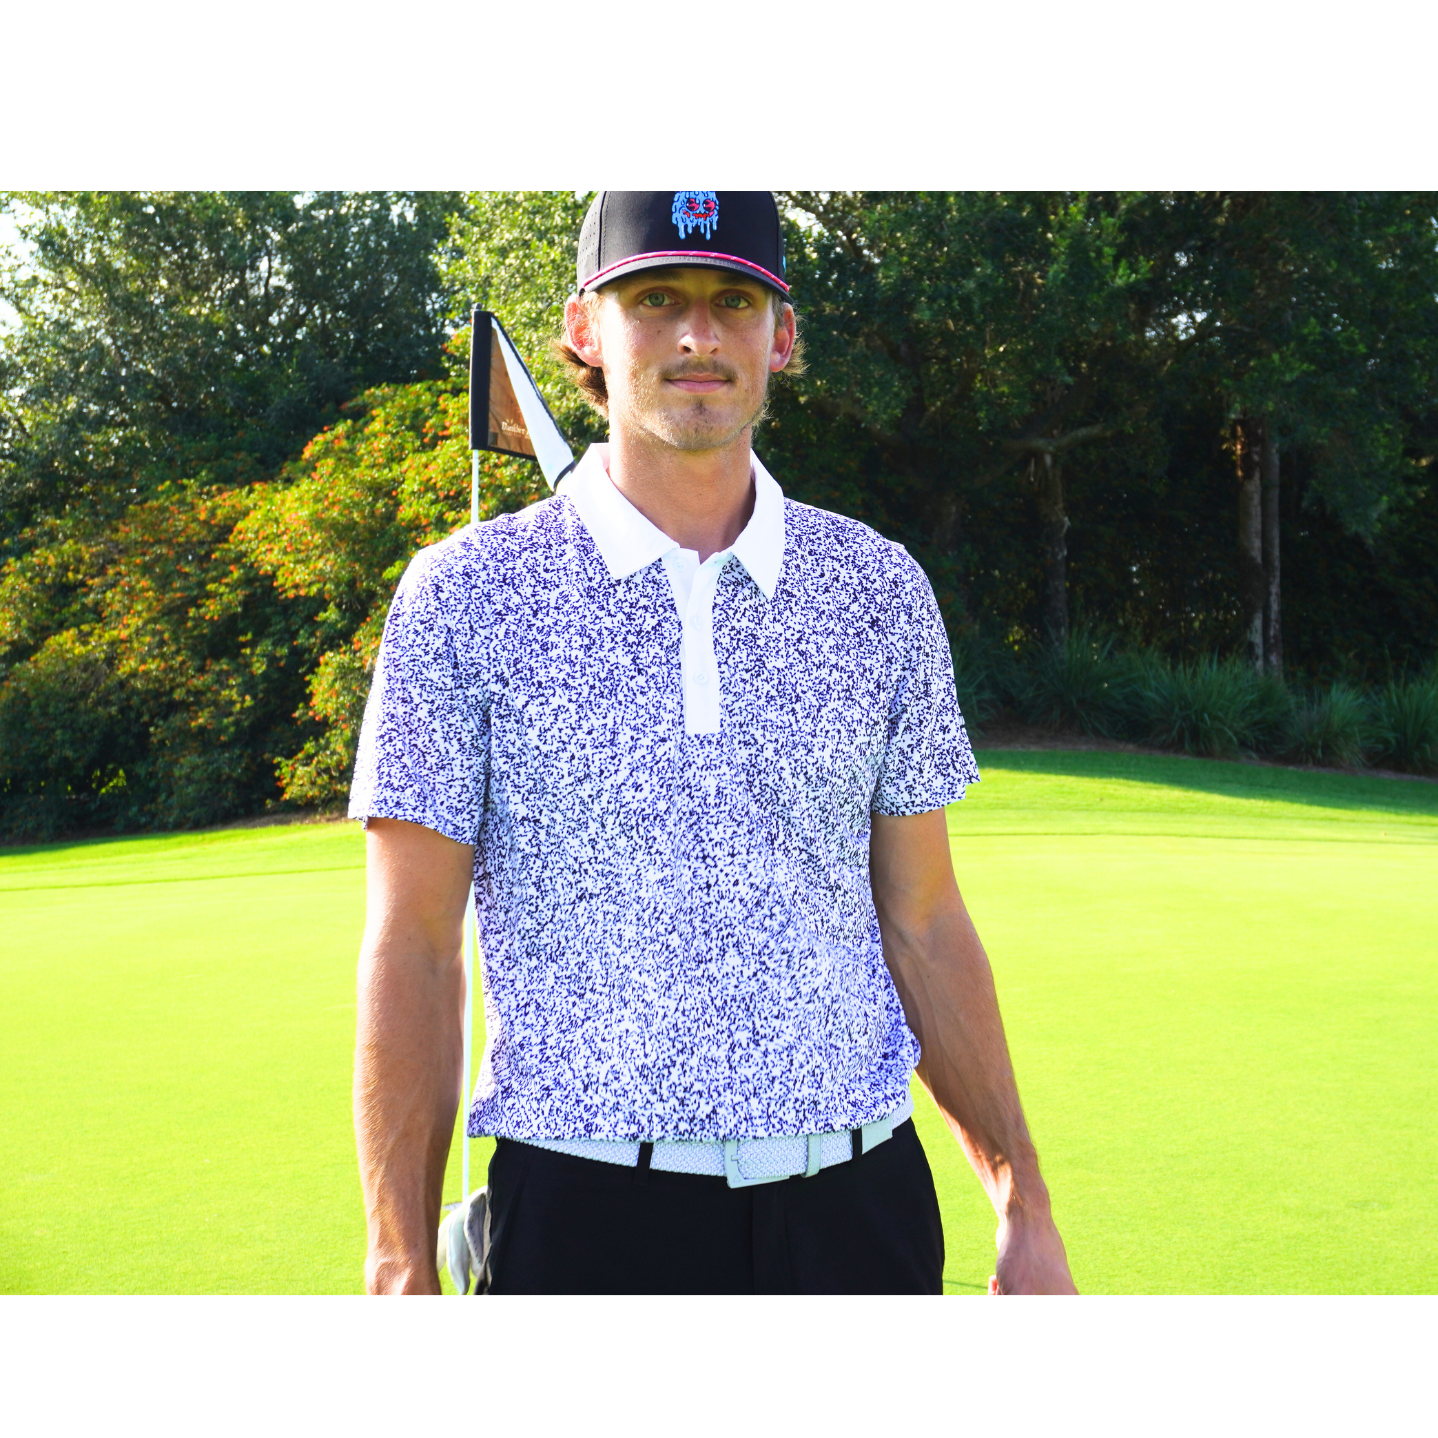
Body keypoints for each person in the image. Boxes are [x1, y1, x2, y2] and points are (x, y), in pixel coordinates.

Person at [350, 190, 1077, 1296]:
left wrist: (1021, 1196)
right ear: (586, 328)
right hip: (587, 1223)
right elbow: (413, 947)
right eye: (656, 299)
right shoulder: (464, 596)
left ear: (780, 335)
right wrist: (401, 1259)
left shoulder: (877, 589)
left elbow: (924, 922)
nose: (698, 334)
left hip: (860, 1213)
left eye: (733, 301)